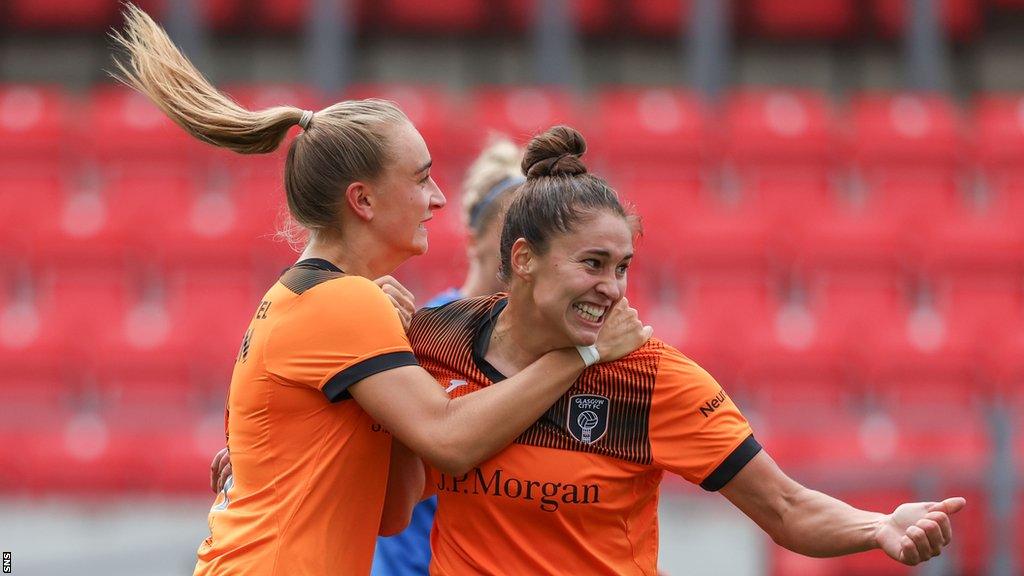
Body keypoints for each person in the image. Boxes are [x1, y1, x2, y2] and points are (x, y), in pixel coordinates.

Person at [215, 124, 966, 574]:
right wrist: (265, 457)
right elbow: (365, 434)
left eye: (623, 267)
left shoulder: (653, 377)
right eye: (592, 265)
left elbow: (786, 507)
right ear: (521, 260)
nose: (612, 289)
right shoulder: (439, 341)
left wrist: (878, 527)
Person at [109, 6, 652, 576]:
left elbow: (393, 510)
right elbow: (450, 440)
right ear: (363, 201)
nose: (438, 198)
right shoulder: (344, 303)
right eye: (421, 179)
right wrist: (583, 353)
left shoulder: (333, 300)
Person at [371, 136, 525, 576]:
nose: (526, 251)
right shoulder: (426, 331)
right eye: (511, 234)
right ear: (474, 237)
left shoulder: (546, 348)